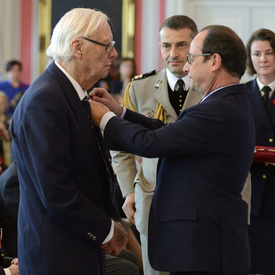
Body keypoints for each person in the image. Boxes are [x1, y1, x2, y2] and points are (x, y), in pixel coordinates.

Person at [89, 24, 255, 275]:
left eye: (191, 58)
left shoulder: (218, 110)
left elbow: (151, 143)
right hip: (204, 239)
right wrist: (119, 111)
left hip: (203, 245)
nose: (186, 67)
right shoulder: (226, 102)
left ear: (214, 61)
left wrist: (105, 119)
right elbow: (167, 132)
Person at [9, 8, 128, 275]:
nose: (114, 53)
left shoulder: (68, 93)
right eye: (107, 44)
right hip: (57, 255)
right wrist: (108, 231)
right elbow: (58, 191)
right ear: (77, 47)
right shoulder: (45, 100)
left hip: (74, 247)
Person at [111, 15, 200, 275]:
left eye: (182, 45)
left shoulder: (207, 86)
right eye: (166, 46)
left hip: (197, 198)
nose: (173, 53)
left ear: (194, 45)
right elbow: (119, 144)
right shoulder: (140, 88)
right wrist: (128, 190)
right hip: (151, 198)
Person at [245, 28, 275, 275]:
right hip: (250, 191)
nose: (263, 59)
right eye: (257, 54)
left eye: (268, 53)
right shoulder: (241, 94)